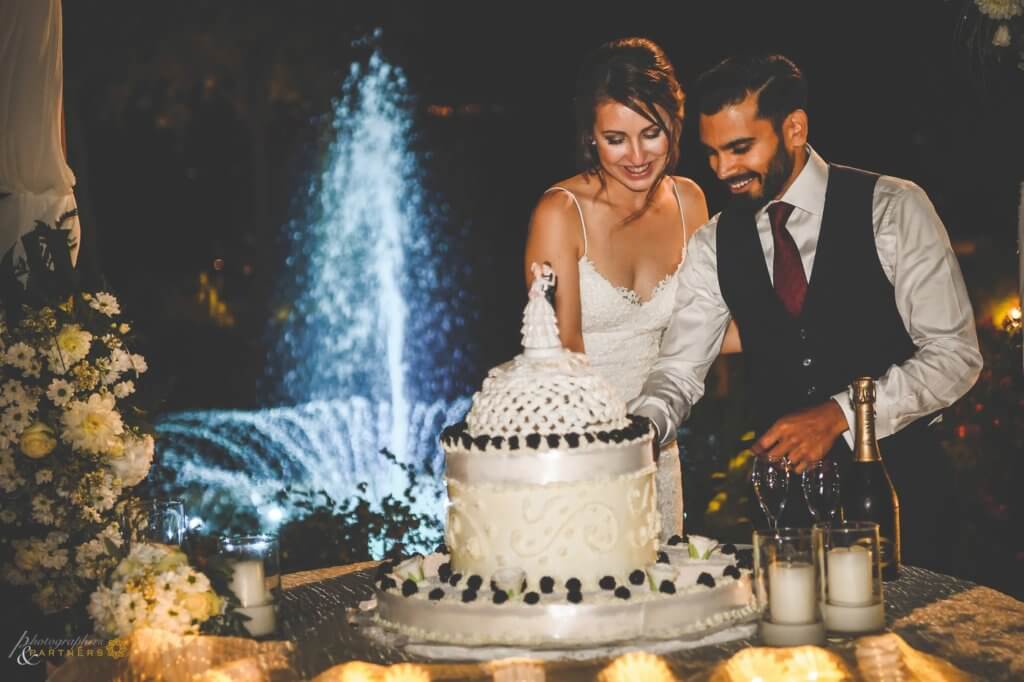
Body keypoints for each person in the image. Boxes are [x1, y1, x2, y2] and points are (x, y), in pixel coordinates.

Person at [628, 54, 982, 572]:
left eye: (740, 148)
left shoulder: (894, 207)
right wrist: (641, 428)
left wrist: (841, 413)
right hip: (782, 517)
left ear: (794, 128)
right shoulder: (712, 244)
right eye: (711, 154)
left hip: (900, 500)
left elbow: (955, 356)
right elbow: (679, 370)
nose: (723, 170)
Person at [524, 37, 741, 540]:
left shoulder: (690, 202)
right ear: (591, 137)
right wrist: (614, 454)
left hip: (658, 446)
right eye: (616, 138)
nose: (638, 156)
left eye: (651, 133)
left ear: (674, 124)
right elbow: (561, 357)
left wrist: (805, 324)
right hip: (575, 446)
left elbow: (706, 331)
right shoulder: (560, 213)